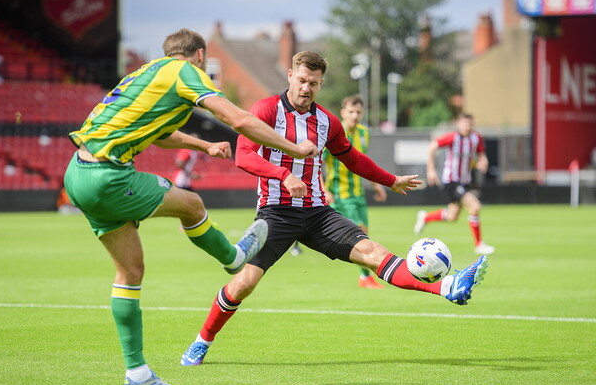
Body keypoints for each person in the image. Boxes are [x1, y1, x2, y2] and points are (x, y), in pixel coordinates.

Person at [180, 51, 490, 367]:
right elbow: (244, 155)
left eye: (314, 83)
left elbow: (352, 158)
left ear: (321, 84)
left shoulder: (327, 121)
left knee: (374, 252)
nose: (306, 88)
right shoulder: (266, 110)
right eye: (302, 80)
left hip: (317, 213)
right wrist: (284, 175)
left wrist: (391, 180)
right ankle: (201, 342)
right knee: (244, 283)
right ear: (290, 76)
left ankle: (448, 286)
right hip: (276, 213)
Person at [64, 29, 318, 385]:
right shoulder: (185, 72)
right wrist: (293, 148)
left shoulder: (148, 72)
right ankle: (233, 257)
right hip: (108, 176)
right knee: (192, 204)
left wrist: (204, 146)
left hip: (77, 172)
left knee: (130, 271)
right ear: (200, 56)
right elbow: (238, 120)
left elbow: (159, 133)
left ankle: (137, 375)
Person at [322, 94, 388, 288]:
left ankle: (364, 276)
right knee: (360, 232)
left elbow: (362, 163)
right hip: (339, 193)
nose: (355, 115)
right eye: (351, 111)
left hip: (358, 193)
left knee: (364, 233)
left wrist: (376, 185)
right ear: (343, 113)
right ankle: (365, 277)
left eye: (358, 112)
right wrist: (324, 190)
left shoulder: (364, 133)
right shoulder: (333, 133)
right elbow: (318, 163)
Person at [414, 113, 496, 255]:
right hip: (451, 181)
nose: (467, 126)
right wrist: (431, 170)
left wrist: (483, 161)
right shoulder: (453, 137)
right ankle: (479, 245)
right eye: (464, 123)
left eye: (469, 124)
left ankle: (425, 217)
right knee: (475, 206)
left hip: (464, 181)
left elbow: (481, 154)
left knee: (452, 216)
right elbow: (432, 146)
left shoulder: (476, 138)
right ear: (458, 124)